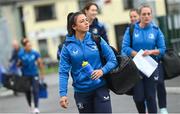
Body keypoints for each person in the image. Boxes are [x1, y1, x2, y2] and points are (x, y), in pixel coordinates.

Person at [59, 12, 117, 113]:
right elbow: (63, 72)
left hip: (100, 87)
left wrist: (102, 71)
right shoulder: (67, 46)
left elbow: (113, 60)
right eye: (82, 21)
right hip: (81, 92)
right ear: (74, 26)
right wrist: (63, 94)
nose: (86, 23)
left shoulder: (97, 39)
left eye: (86, 20)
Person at [121, 4, 166, 114]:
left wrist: (150, 52)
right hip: (136, 68)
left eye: (149, 14)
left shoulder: (156, 30)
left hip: (150, 67)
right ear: (140, 16)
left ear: (151, 15)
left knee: (151, 97)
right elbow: (125, 47)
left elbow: (162, 49)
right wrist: (138, 54)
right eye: (144, 14)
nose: (146, 16)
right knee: (139, 98)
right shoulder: (131, 29)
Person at [17, 39, 44, 114]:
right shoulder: (21, 54)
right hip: (25, 75)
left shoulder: (35, 53)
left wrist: (42, 74)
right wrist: (19, 64)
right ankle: (30, 104)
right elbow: (18, 64)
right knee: (27, 91)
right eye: (28, 46)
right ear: (24, 47)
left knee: (36, 90)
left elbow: (40, 63)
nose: (30, 47)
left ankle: (36, 107)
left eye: (30, 45)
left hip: (34, 74)